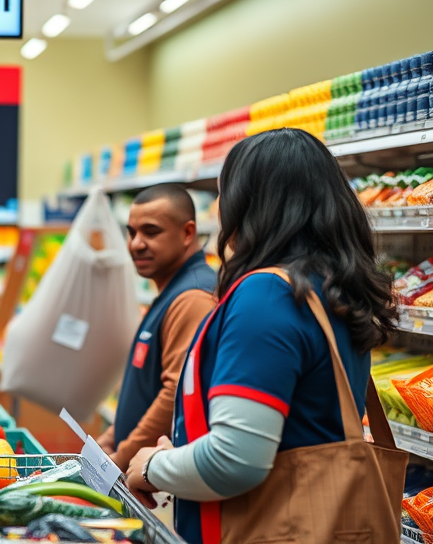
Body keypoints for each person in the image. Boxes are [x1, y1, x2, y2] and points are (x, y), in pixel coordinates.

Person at [125, 128, 398, 543]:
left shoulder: (268, 295)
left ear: (249, 204)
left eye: (224, 195)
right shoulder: (330, 289)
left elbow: (235, 459)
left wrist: (152, 465)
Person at [97, 185, 217, 471]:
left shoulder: (193, 298)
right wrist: (112, 438)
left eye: (151, 232)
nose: (136, 244)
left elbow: (174, 392)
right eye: (131, 232)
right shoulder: (172, 292)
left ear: (188, 233)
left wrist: (122, 457)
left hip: (157, 476)